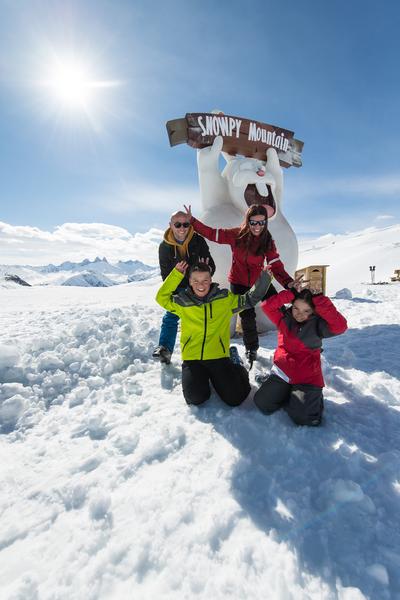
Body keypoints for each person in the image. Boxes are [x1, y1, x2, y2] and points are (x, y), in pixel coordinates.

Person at [184, 203, 301, 365]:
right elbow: (211, 233)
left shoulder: (267, 240)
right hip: (239, 282)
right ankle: (251, 349)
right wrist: (192, 221)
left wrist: (289, 283)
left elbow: (276, 265)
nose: (257, 226)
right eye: (254, 222)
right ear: (247, 221)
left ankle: (299, 342)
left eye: (262, 222)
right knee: (247, 315)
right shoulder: (236, 235)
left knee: (280, 309)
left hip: (259, 280)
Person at [155, 260, 272, 406]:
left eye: (205, 280)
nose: (201, 285)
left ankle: (235, 363)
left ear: (211, 279)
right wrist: (176, 275)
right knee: (195, 398)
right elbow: (161, 298)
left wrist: (264, 279)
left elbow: (249, 299)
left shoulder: (224, 299)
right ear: (190, 281)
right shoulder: (182, 302)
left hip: (218, 356)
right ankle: (204, 378)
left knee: (236, 398)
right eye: (196, 280)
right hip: (193, 359)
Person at [253, 287, 348, 426]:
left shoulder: (318, 325)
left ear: (313, 311)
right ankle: (289, 392)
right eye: (296, 308)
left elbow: (341, 326)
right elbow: (266, 306)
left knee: (306, 419)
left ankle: (312, 397)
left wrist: (319, 300)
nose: (299, 314)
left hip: (307, 377)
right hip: (283, 372)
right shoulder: (284, 319)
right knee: (263, 404)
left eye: (306, 311)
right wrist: (290, 293)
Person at [152, 211, 216, 365]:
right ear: (170, 225)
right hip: (179, 288)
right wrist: (177, 279)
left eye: (186, 224)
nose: (182, 228)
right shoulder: (164, 247)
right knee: (171, 315)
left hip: (198, 287)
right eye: (177, 224)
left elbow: (211, 265)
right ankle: (165, 348)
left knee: (203, 319)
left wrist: (207, 268)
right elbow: (166, 275)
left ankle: (207, 350)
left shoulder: (198, 241)